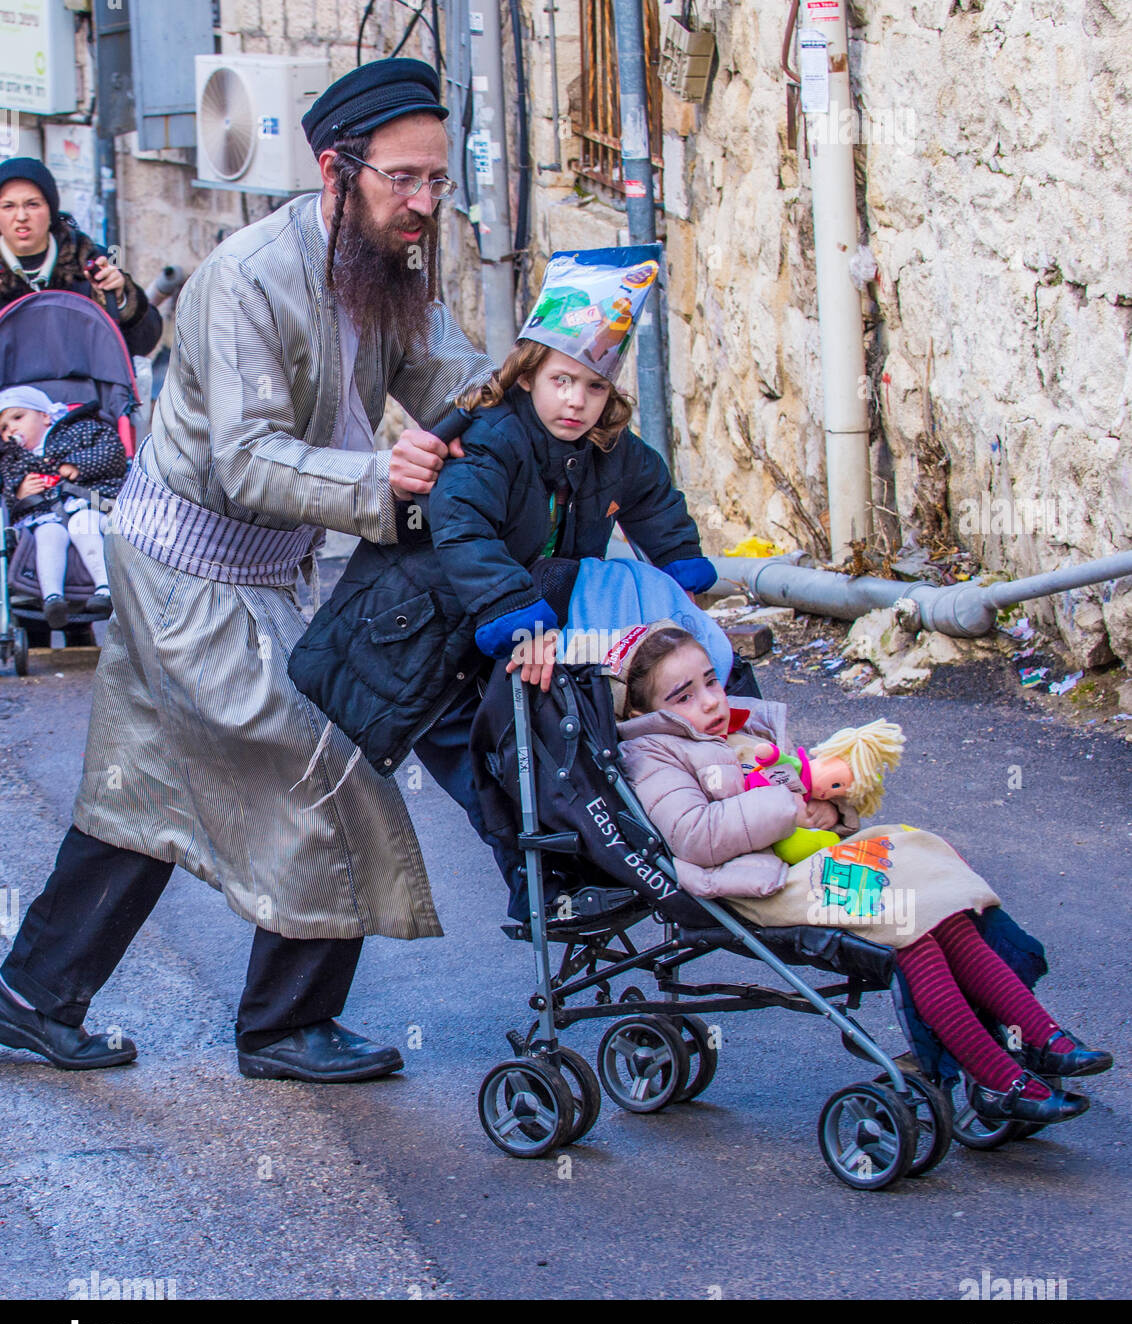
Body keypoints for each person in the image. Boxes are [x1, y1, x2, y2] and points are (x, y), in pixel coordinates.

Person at [0, 58, 497, 1083]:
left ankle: (28, 994)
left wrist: (546, 380)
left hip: (257, 567)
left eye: (437, 182)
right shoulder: (249, 275)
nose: (424, 204)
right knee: (325, 765)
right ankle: (282, 1025)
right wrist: (380, 479)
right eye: (405, 179)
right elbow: (247, 457)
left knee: (141, 792)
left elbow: (452, 373)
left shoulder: (386, 264)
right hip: (185, 570)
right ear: (335, 168)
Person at [288, 245, 716, 915]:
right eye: (561, 381)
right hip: (418, 642)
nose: (576, 401)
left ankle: (580, 877)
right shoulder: (495, 438)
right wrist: (521, 616)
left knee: (552, 756)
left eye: (594, 386)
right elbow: (460, 522)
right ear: (527, 376)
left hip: (505, 634)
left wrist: (680, 570)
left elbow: (651, 495)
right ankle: (539, 892)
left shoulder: (607, 450)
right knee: (493, 776)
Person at [615, 623, 1113, 1127]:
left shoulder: (746, 728)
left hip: (812, 861)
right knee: (906, 925)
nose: (709, 702)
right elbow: (693, 835)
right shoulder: (654, 754)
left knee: (937, 893)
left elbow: (816, 785)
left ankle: (1040, 1037)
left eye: (711, 682)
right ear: (642, 712)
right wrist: (788, 804)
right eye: (684, 696)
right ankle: (994, 1078)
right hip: (755, 882)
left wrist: (832, 811)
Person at [0, 158, 161, 357]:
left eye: (32, 204)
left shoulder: (90, 263)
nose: (21, 216)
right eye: (8, 206)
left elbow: (142, 344)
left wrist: (120, 300)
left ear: (51, 209)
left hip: (84, 385)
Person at [0, 384, 125, 624]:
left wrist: (76, 465)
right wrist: (20, 490)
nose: (11, 429)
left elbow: (112, 451)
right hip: (47, 515)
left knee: (82, 523)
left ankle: (105, 588)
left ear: (45, 416)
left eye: (17, 417)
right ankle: (52, 599)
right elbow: (9, 496)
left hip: (91, 504)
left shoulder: (78, 430)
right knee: (47, 534)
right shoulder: (14, 459)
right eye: (3, 428)